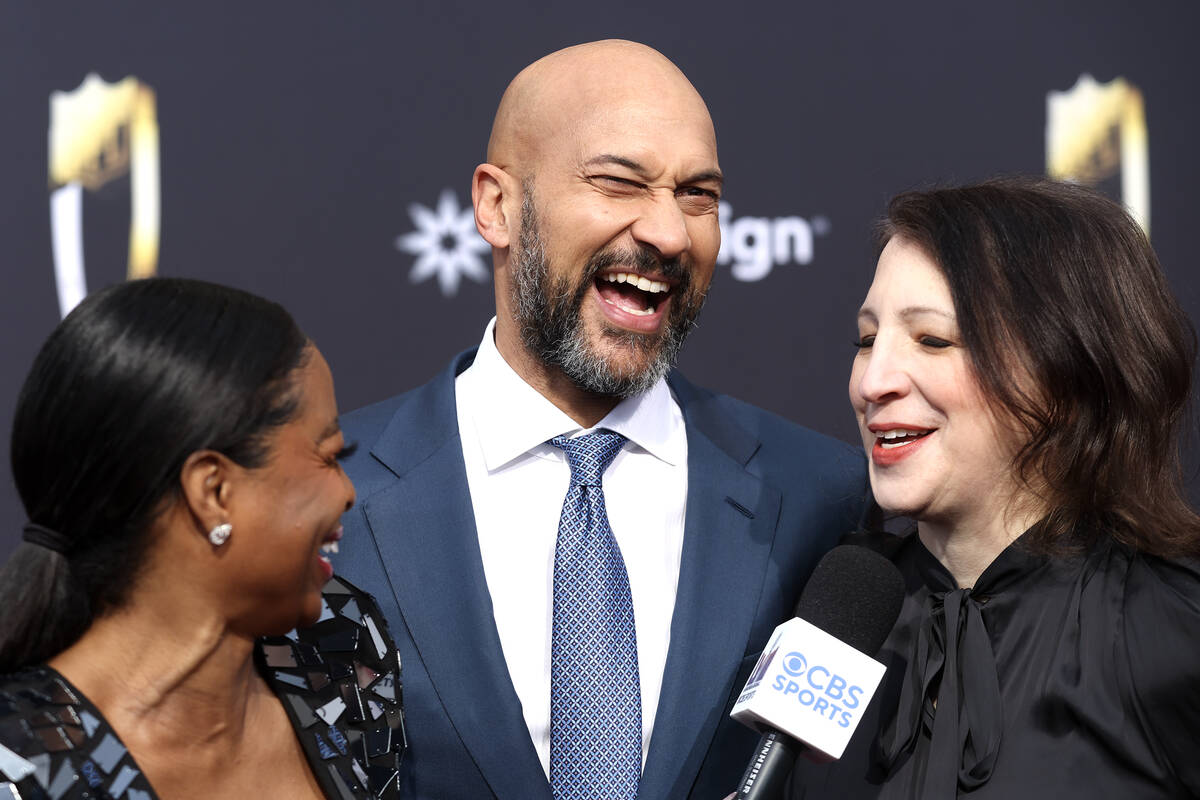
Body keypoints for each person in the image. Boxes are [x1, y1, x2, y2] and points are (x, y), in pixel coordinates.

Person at [334, 39, 866, 800]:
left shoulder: (822, 498)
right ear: (496, 206)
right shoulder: (334, 499)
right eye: (620, 183)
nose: (670, 233)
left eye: (698, 195)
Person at [792, 177, 1200, 799]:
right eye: (868, 339)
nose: (873, 381)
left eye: (933, 340)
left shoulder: (1171, 626)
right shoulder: (838, 620)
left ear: (1064, 372)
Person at [0, 278, 406, 799]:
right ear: (213, 491)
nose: (347, 491)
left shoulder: (341, 651)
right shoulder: (17, 766)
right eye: (329, 456)